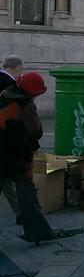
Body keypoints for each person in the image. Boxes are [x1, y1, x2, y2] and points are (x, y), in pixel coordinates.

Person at [0, 72, 68, 245]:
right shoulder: (24, 104)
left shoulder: (4, 96)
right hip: (17, 156)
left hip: (3, 153)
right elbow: (35, 131)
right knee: (28, 196)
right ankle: (39, 232)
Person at [0, 56, 25, 222]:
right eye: (21, 70)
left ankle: (20, 213)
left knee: (6, 178)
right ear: (15, 68)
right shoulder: (9, 85)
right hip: (5, 139)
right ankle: (21, 213)